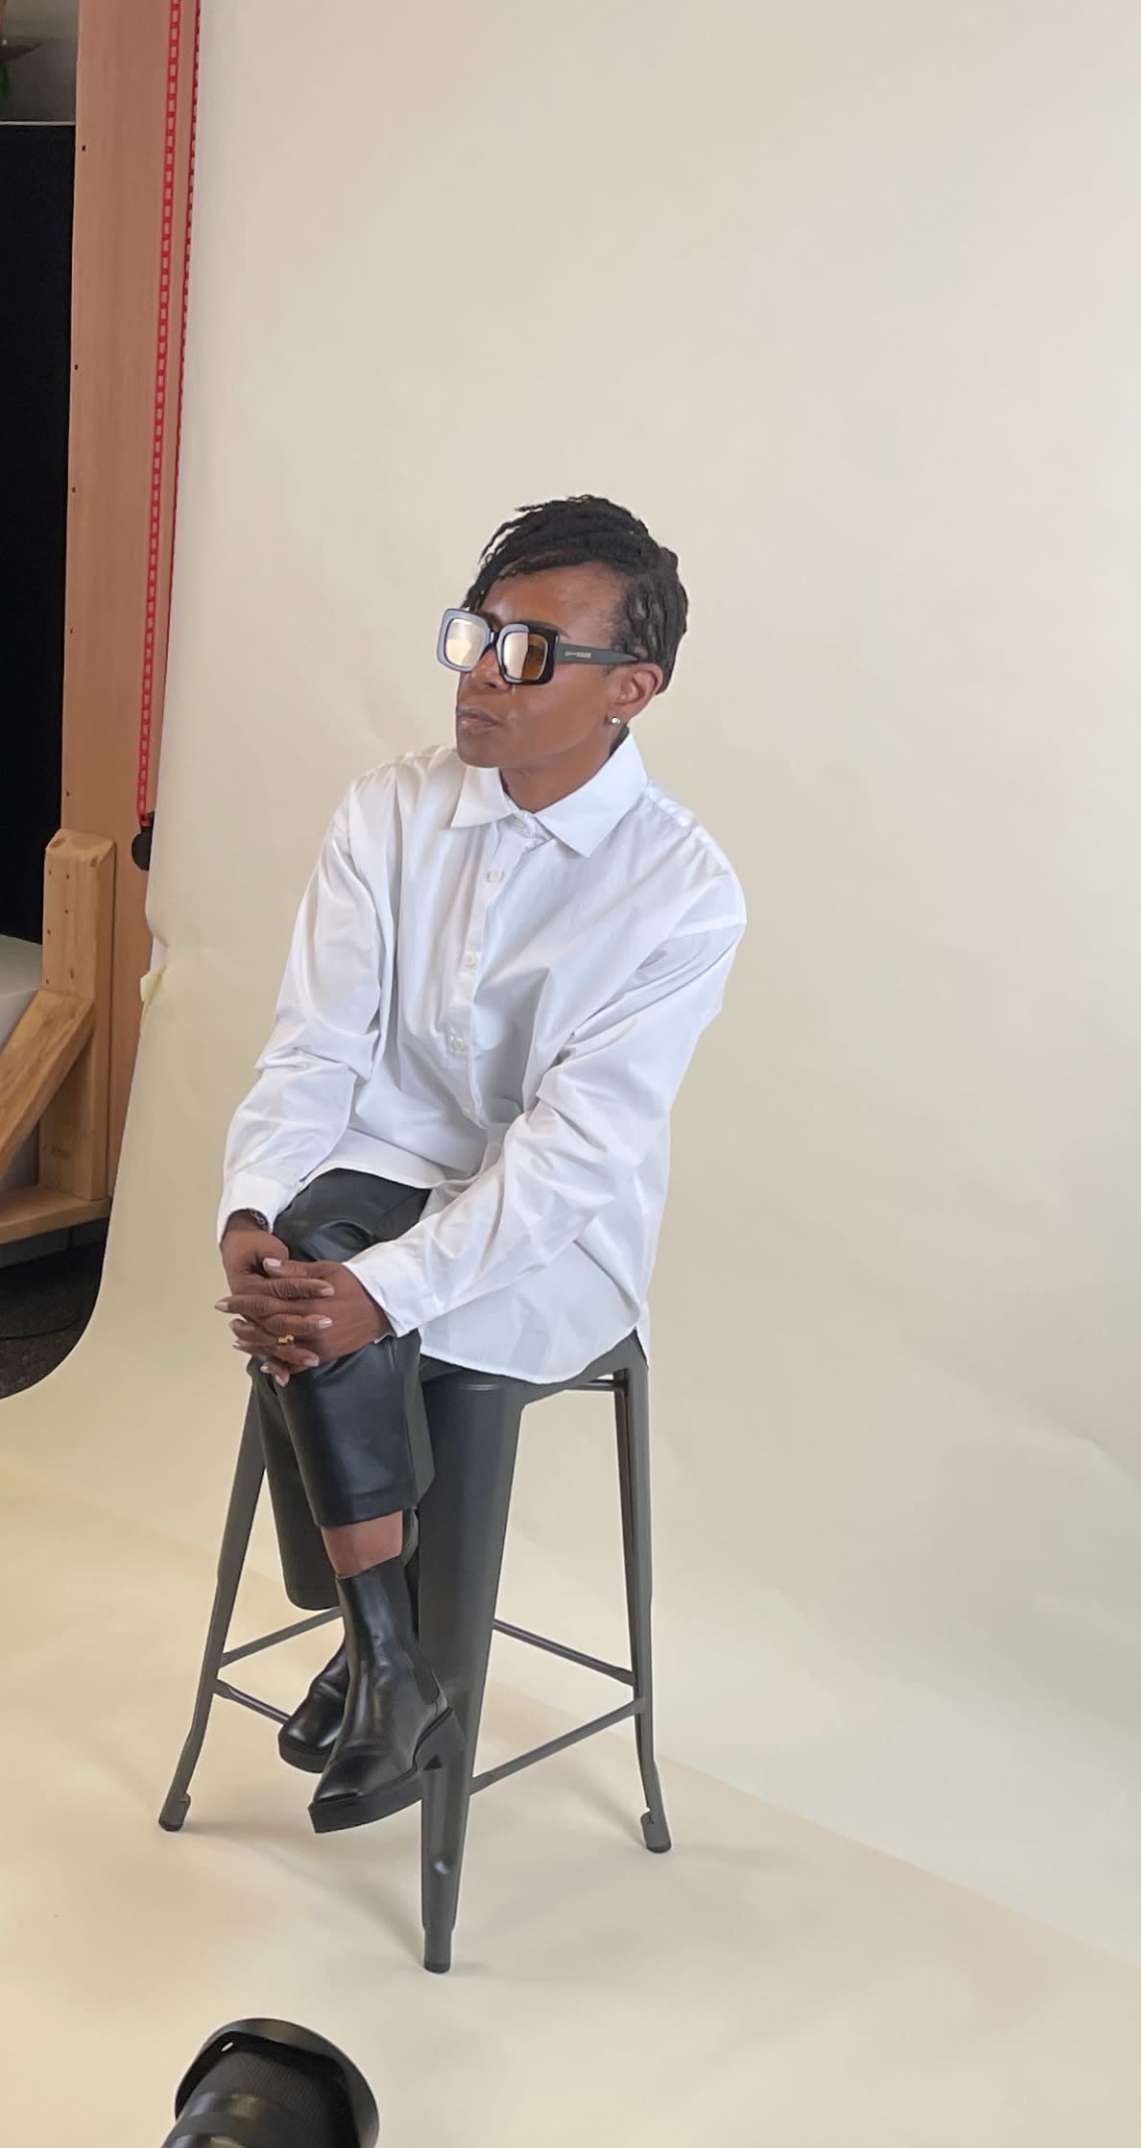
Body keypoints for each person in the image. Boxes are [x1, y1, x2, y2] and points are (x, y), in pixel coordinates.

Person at [216, 498, 744, 1832]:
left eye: (527, 653)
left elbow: (572, 1158)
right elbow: (316, 1046)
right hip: (382, 1178)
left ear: (632, 690)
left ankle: (378, 1653)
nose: (478, 678)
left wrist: (385, 1290)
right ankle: (395, 1658)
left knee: (336, 1296)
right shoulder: (387, 813)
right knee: (304, 1256)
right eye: (474, 639)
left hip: (556, 1241)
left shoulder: (681, 890)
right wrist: (250, 1208)